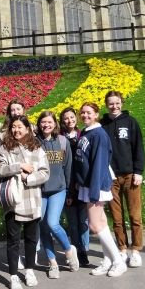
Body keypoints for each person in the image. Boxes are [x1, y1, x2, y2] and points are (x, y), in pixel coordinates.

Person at [0, 116, 50, 289]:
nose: (16, 130)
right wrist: (19, 166)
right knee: (13, 241)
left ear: (27, 129)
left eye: (20, 127)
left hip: (33, 199)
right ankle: (13, 276)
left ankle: (30, 270)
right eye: (14, 127)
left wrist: (29, 178)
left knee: (32, 238)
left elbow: (45, 172)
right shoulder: (5, 147)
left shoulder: (36, 147)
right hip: (13, 201)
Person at [76, 102, 127, 278]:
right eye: (82, 113)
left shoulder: (99, 135)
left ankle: (118, 261)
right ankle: (107, 260)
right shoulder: (85, 132)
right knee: (102, 222)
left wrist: (94, 190)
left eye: (89, 113)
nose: (85, 115)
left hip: (96, 185)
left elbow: (99, 163)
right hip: (87, 184)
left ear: (96, 114)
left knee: (95, 225)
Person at [101, 91, 145, 267]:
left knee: (135, 215)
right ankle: (122, 249)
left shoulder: (131, 122)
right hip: (111, 177)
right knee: (117, 218)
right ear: (106, 104)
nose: (114, 106)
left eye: (117, 103)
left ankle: (136, 250)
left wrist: (138, 171)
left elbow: (138, 148)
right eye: (111, 103)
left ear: (122, 103)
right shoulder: (102, 125)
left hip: (130, 176)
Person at [37, 111, 79, 279]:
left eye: (49, 122)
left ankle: (69, 250)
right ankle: (52, 262)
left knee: (52, 223)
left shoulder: (62, 141)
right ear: (39, 124)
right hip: (40, 190)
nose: (46, 125)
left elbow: (68, 167)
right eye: (43, 122)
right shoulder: (34, 142)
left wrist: (69, 190)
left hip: (58, 189)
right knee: (42, 225)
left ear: (55, 124)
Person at [59, 107, 90, 267]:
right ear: (62, 121)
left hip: (82, 184)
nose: (69, 120)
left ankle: (84, 250)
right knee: (72, 222)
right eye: (66, 118)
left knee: (83, 220)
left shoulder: (83, 135)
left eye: (72, 117)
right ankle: (77, 250)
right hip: (68, 185)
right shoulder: (60, 139)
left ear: (76, 118)